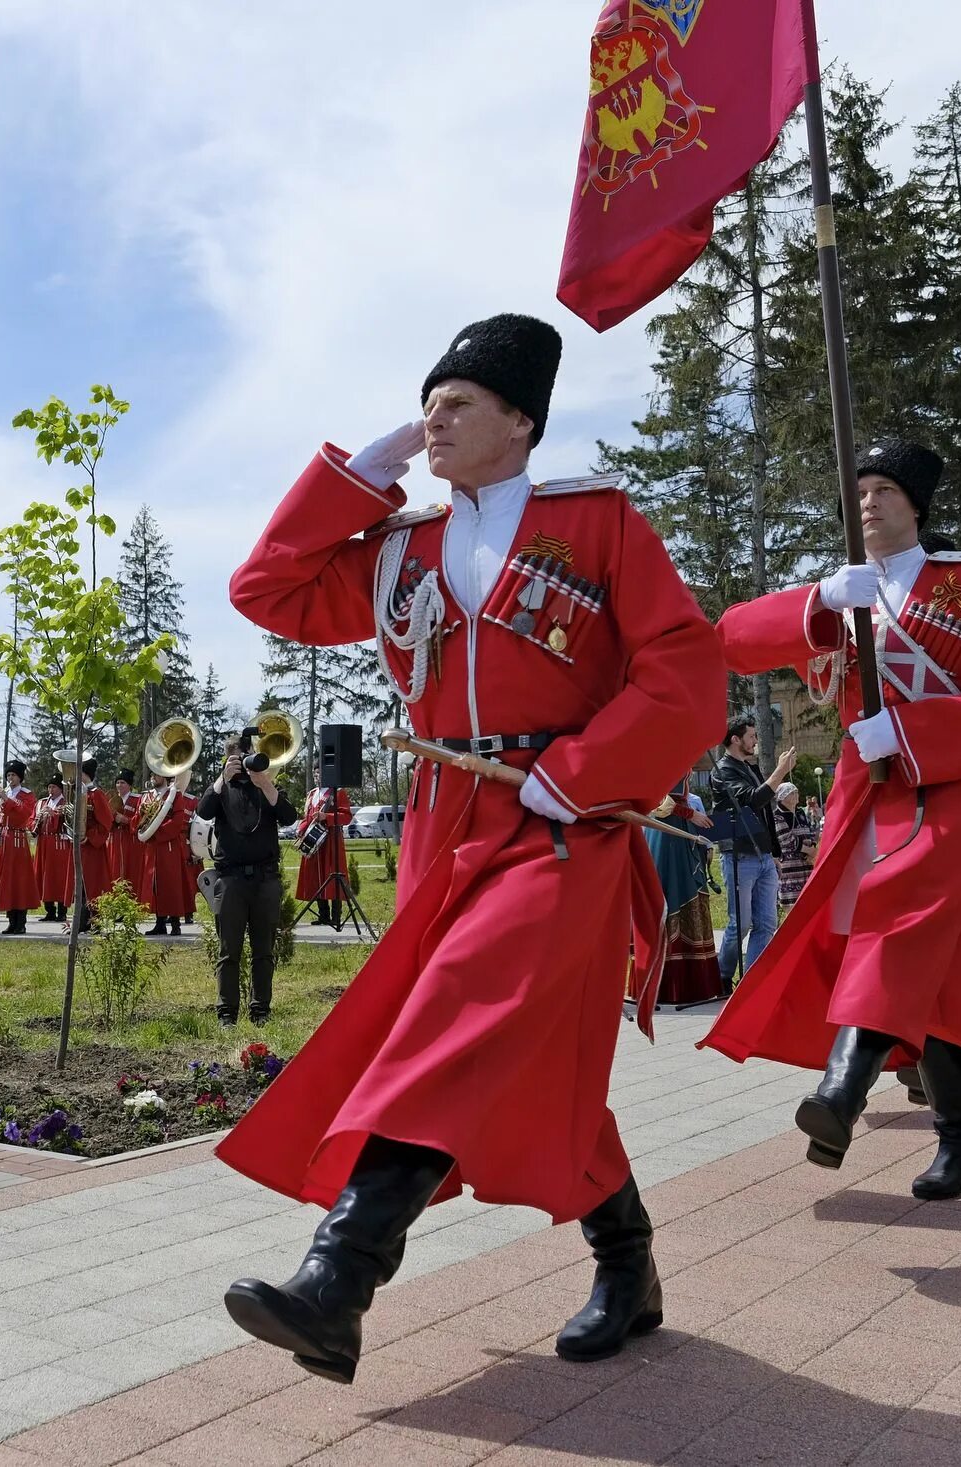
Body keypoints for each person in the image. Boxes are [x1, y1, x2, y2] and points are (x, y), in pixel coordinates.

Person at [219, 312, 724, 1380]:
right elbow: (267, 592)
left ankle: (339, 1279)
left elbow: (685, 674)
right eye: (427, 406)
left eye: (456, 407)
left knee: (464, 1014)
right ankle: (627, 1262)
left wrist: (580, 772)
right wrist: (356, 478)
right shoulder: (398, 543)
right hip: (445, 817)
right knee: (519, 1052)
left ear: (521, 421)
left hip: (559, 818)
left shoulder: (598, 524)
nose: (432, 423)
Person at [708, 441, 961, 1199]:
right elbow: (731, 639)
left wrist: (915, 732)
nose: (868, 502)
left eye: (885, 488)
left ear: (917, 504)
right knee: (934, 967)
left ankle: (842, 1091)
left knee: (893, 929)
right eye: (858, 491)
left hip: (947, 790)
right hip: (866, 795)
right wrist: (820, 602)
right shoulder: (843, 591)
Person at [199, 739, 295, 1024]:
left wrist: (264, 782)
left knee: (263, 950)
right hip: (231, 879)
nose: (242, 764)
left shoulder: (267, 787)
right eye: (235, 759)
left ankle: (260, 1010)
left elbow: (289, 817)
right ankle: (226, 1013)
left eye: (245, 757)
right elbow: (203, 811)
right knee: (229, 950)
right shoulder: (221, 789)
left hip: (265, 878)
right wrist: (222, 778)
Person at [709, 717, 792, 982]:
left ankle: (752, 982)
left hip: (763, 857)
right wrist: (779, 771)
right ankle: (723, 978)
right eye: (752, 736)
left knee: (767, 923)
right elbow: (752, 800)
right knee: (740, 924)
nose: (756, 740)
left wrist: (775, 853)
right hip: (739, 856)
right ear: (735, 739)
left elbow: (765, 812)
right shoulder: (721, 771)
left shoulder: (749, 767)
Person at [646, 783, 721, 1004]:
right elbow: (654, 796)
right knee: (673, 892)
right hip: (666, 828)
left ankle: (693, 985)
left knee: (690, 891)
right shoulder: (656, 753)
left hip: (681, 828)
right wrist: (689, 813)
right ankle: (669, 985)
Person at [141, 772, 198, 937]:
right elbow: (139, 818)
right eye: (151, 774)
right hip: (152, 848)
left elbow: (178, 820)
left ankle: (175, 923)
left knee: (171, 885)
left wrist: (157, 832)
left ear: (164, 777)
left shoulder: (174, 796)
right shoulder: (147, 797)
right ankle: (159, 923)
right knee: (155, 885)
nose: (152, 777)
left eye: (157, 774)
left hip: (168, 847)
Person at [294, 781, 354, 928]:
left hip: (331, 840)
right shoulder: (312, 793)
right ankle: (323, 915)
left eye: (319, 772)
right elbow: (307, 817)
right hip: (313, 840)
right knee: (316, 876)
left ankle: (336, 916)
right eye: (315, 772)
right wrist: (300, 829)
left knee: (333, 875)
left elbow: (346, 817)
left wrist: (326, 816)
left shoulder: (338, 791)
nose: (317, 776)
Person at [0, 761, 39, 935]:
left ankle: (21, 922)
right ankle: (11, 920)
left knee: (19, 880)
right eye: (8, 775)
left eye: (13, 775)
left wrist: (7, 799)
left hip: (18, 838)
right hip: (5, 838)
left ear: (20, 777)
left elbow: (26, 812)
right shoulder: (5, 794)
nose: (10, 778)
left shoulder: (27, 794)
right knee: (6, 880)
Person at [76, 759, 114, 930]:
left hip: (93, 848)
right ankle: (82, 921)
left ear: (85, 774)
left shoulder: (96, 794)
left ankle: (96, 921)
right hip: (80, 847)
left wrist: (89, 837)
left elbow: (106, 823)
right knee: (81, 886)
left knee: (94, 884)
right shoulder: (78, 793)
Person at [772, 783, 816, 909]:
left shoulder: (801, 813)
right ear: (782, 797)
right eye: (791, 793)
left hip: (806, 865)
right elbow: (785, 839)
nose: (796, 795)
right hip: (789, 866)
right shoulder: (777, 816)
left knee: (808, 903)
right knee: (792, 905)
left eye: (796, 792)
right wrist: (809, 851)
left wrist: (812, 847)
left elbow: (810, 831)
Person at [36, 776, 71, 924]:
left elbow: (69, 819)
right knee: (44, 874)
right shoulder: (42, 802)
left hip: (59, 842)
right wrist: (38, 818)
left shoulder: (66, 803)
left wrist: (54, 814)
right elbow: (32, 820)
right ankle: (49, 910)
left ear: (60, 789)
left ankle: (62, 911)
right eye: (49, 787)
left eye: (54, 787)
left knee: (59, 876)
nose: (51, 790)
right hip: (44, 841)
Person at [110, 770, 145, 910]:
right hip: (115, 839)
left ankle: (132, 905)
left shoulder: (138, 799)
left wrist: (126, 820)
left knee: (131, 871)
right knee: (115, 872)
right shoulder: (112, 799)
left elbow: (141, 820)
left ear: (129, 785)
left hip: (131, 841)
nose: (119, 785)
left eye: (122, 783)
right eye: (117, 782)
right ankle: (117, 905)